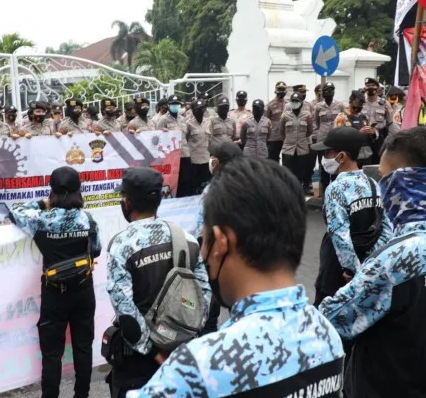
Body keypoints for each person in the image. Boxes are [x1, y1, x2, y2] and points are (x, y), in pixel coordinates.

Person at [128, 157, 345, 398]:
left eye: (205, 240)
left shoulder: (198, 368)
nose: (203, 255)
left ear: (221, 243)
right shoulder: (326, 333)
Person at [320, 127, 426, 398]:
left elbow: (331, 320)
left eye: (384, 178)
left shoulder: (393, 262)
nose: (381, 186)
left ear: (403, 183)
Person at [107, 167, 211, 398]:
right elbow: (203, 295)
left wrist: (155, 352)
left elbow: (125, 312)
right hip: (182, 353)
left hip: (140, 362)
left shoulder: (121, 246)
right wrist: (184, 335)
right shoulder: (188, 239)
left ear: (128, 202)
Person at [10, 166, 101, 398]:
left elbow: (14, 211)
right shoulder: (88, 220)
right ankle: (82, 394)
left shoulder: (41, 220)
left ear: (52, 192)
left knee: (52, 353)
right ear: (78, 191)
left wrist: (42, 204)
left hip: (54, 293)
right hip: (83, 290)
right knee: (83, 346)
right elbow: (97, 250)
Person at [310, 127, 392, 306]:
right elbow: (385, 226)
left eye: (327, 153)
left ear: (342, 157)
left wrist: (352, 271)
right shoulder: (371, 183)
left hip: (339, 269)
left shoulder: (335, 189)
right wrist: (372, 266)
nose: (324, 158)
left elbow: (339, 234)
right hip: (368, 261)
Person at [195, 142, 243, 337]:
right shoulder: (248, 186)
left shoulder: (213, 191)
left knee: (208, 314)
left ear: (218, 163)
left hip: (216, 259)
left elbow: (202, 228)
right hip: (241, 260)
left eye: (213, 158)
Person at [157, 95, 192, 197]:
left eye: (177, 104)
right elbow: (158, 137)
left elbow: (187, 136)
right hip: (171, 156)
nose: (175, 106)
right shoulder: (163, 119)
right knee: (173, 181)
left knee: (185, 180)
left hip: (184, 154)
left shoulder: (183, 119)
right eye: (173, 104)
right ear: (168, 105)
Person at [279, 92, 314, 195]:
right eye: (293, 101)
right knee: (289, 171)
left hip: (302, 148)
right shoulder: (285, 115)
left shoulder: (307, 115)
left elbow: (309, 131)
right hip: (288, 149)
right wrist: (289, 140)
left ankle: (300, 191)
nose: (294, 103)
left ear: (301, 103)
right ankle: (289, 191)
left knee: (301, 171)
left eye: (297, 101)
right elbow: (281, 132)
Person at [314, 82, 346, 191]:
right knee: (323, 166)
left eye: (331, 90)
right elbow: (317, 122)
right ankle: (324, 191)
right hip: (322, 139)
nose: (328, 92)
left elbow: (344, 119)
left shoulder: (340, 105)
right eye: (326, 90)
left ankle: (336, 190)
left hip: (337, 139)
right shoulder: (318, 106)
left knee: (337, 165)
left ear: (334, 92)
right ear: (322, 93)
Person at [335, 90, 375, 167]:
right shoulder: (342, 117)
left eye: (362, 104)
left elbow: (372, 134)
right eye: (358, 103)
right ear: (350, 102)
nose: (360, 106)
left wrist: (372, 132)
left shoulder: (363, 117)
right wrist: (358, 133)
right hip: (351, 155)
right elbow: (338, 137)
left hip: (366, 154)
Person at [361, 77, 393, 164]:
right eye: (368, 86)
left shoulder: (385, 103)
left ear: (378, 88)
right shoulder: (361, 102)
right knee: (364, 163)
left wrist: (390, 140)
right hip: (364, 138)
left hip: (380, 139)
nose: (370, 88)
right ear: (365, 88)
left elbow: (391, 123)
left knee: (378, 164)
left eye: (372, 85)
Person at [186, 99, 212, 194]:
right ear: (193, 111)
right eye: (197, 109)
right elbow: (186, 139)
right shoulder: (188, 124)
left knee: (206, 186)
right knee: (194, 186)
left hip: (206, 158)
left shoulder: (208, 122)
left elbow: (210, 138)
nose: (200, 111)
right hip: (194, 161)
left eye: (202, 109)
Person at [266, 81, 288, 163]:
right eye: (279, 89)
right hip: (274, 137)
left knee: (287, 159)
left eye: (283, 89)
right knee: (273, 159)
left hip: (287, 136)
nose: (281, 91)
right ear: (275, 90)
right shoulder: (270, 105)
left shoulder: (288, 103)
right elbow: (266, 120)